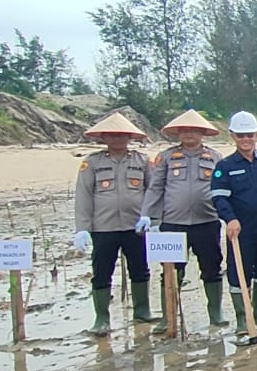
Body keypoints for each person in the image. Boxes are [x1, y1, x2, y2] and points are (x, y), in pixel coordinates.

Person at [138, 109, 226, 331]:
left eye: (193, 130)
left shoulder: (215, 157)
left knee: (212, 267)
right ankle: (168, 317)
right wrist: (147, 215)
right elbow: (155, 187)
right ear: (178, 133)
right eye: (184, 130)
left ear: (202, 133)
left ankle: (215, 313)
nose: (188, 134)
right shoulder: (166, 157)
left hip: (207, 221)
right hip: (172, 223)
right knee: (171, 270)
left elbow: (223, 188)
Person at [73, 111, 157, 336]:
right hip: (104, 228)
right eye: (112, 135)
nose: (117, 139)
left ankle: (142, 311)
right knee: (101, 272)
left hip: (135, 226)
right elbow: (83, 195)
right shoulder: (92, 163)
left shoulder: (142, 161)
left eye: (122, 135)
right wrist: (82, 228)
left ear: (130, 137)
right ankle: (101, 318)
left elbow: (153, 190)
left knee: (140, 269)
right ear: (103, 138)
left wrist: (152, 217)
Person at [211, 111, 257, 335]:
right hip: (240, 229)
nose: (246, 139)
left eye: (250, 135)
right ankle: (243, 317)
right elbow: (219, 197)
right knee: (238, 271)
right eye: (241, 135)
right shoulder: (225, 166)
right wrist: (230, 218)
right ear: (232, 135)